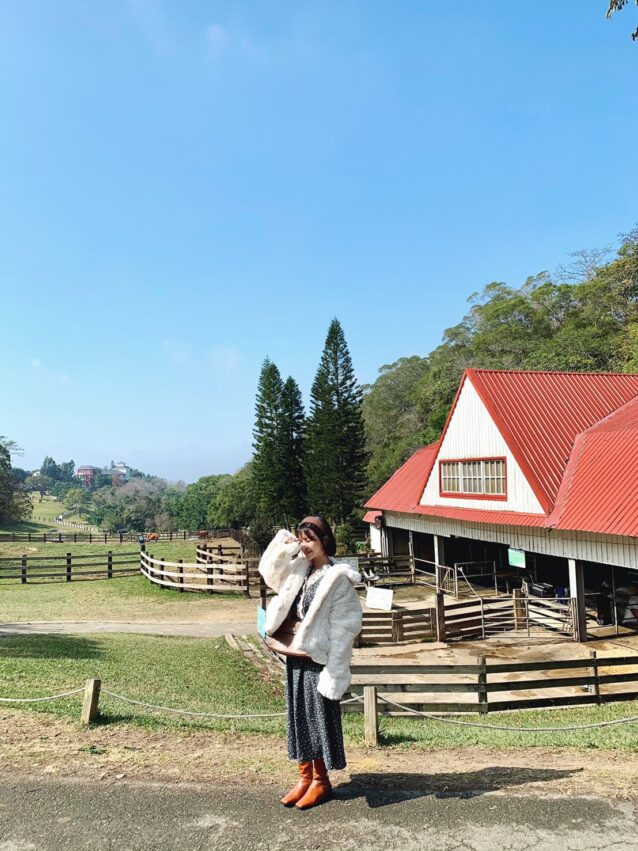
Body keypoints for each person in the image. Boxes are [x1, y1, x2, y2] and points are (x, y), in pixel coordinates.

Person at [258, 517, 362, 810]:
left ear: (324, 541)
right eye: (301, 539)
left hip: (319, 660)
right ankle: (304, 777)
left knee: (316, 721)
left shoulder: (336, 578)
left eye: (310, 540)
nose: (305, 546)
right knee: (298, 718)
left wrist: (336, 672)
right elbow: (268, 572)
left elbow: (345, 628)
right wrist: (284, 545)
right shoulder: (299, 569)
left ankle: (321, 781)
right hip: (296, 657)